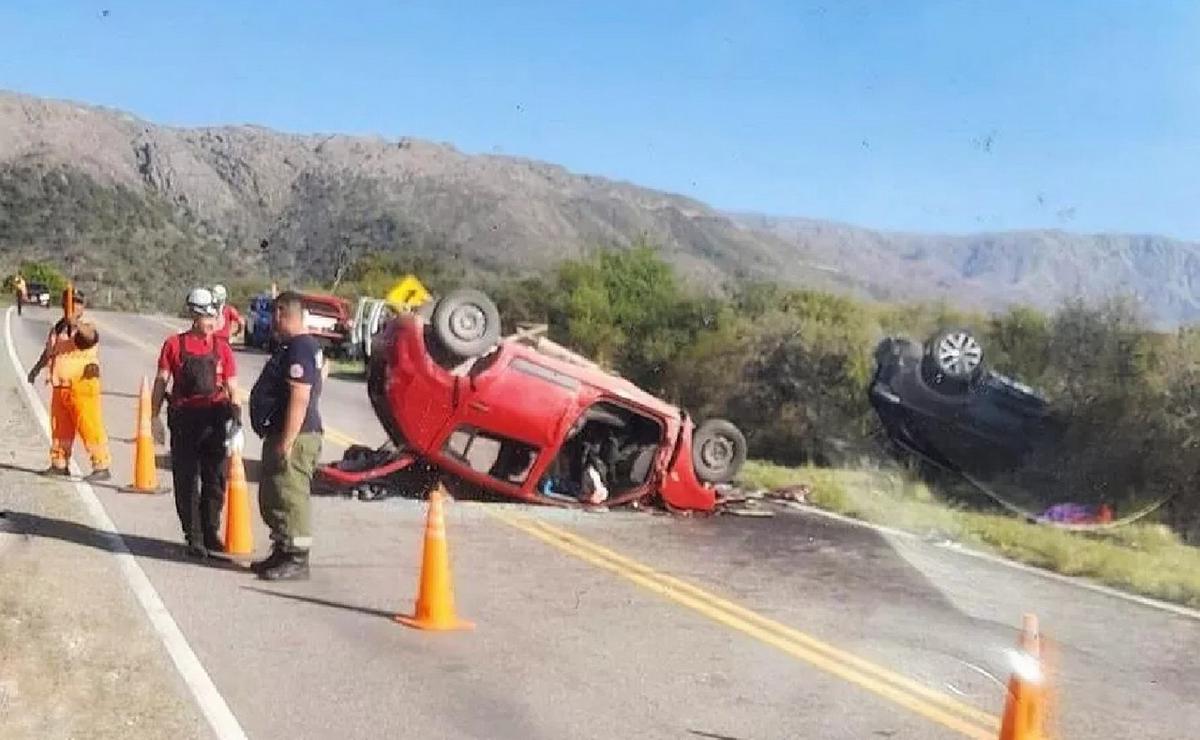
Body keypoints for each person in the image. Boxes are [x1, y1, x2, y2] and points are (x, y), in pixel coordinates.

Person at [151, 288, 241, 558]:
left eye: (214, 314)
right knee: (187, 480)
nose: (211, 320)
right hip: (184, 420)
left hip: (215, 418)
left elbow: (233, 387)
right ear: (193, 314)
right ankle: (194, 536)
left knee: (215, 479)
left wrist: (237, 421)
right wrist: (153, 416)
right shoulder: (173, 345)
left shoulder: (222, 348)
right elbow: (160, 381)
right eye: (205, 315)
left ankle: (210, 532)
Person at [248, 291, 325, 580]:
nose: (271, 322)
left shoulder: (300, 347)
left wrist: (288, 439)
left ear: (281, 313)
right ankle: (282, 549)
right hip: (283, 431)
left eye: (274, 315)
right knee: (275, 494)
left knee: (290, 496)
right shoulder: (296, 346)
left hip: (296, 435)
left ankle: (297, 557)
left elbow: (300, 396)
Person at [26, 290, 111, 481]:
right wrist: (36, 369)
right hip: (61, 387)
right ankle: (59, 464)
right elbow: (49, 352)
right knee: (60, 430)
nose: (72, 307)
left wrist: (76, 324)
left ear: (83, 307)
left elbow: (90, 337)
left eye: (77, 303)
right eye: (69, 303)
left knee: (90, 427)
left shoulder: (85, 326)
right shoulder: (57, 328)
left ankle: (101, 465)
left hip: (82, 387)